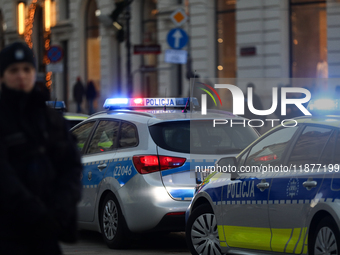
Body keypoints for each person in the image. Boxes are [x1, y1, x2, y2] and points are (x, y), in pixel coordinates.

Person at [0, 42, 82, 255]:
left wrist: (61, 207)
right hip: (9, 232)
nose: (21, 76)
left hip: (48, 231)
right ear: (2, 76)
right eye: (13, 70)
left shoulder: (50, 118)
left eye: (26, 69)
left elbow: (71, 166)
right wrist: (33, 211)